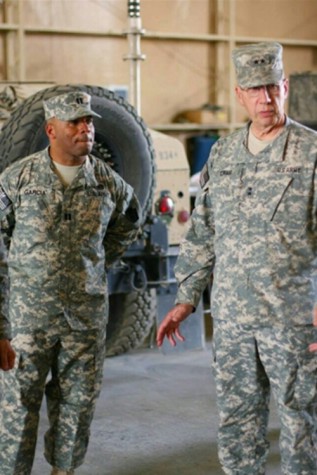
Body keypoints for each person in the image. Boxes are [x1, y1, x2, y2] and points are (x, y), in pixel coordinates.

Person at [157, 42, 317, 475]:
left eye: (272, 87)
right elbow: (204, 231)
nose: (265, 99)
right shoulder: (223, 155)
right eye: (254, 89)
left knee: (302, 424)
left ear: (285, 87)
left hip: (294, 320)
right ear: (239, 94)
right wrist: (186, 297)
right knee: (236, 422)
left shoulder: (311, 153)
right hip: (232, 320)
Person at [0, 91, 142, 475]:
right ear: (51, 129)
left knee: (76, 407)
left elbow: (130, 221)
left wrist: (97, 262)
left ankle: (64, 470)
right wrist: (1, 326)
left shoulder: (105, 181)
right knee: (17, 408)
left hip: (84, 316)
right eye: (75, 122)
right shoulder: (18, 180)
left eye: (90, 122)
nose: (86, 129)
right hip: (29, 319)